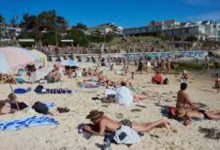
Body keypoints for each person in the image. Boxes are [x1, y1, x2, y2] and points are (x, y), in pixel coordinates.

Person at [82, 110, 170, 136]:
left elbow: (101, 134)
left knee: (145, 129)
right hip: (123, 123)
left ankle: (161, 120)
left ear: (97, 118)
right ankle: (160, 123)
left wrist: (89, 131)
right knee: (143, 125)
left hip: (124, 126)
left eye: (93, 120)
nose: (92, 121)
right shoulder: (103, 118)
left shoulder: (102, 121)